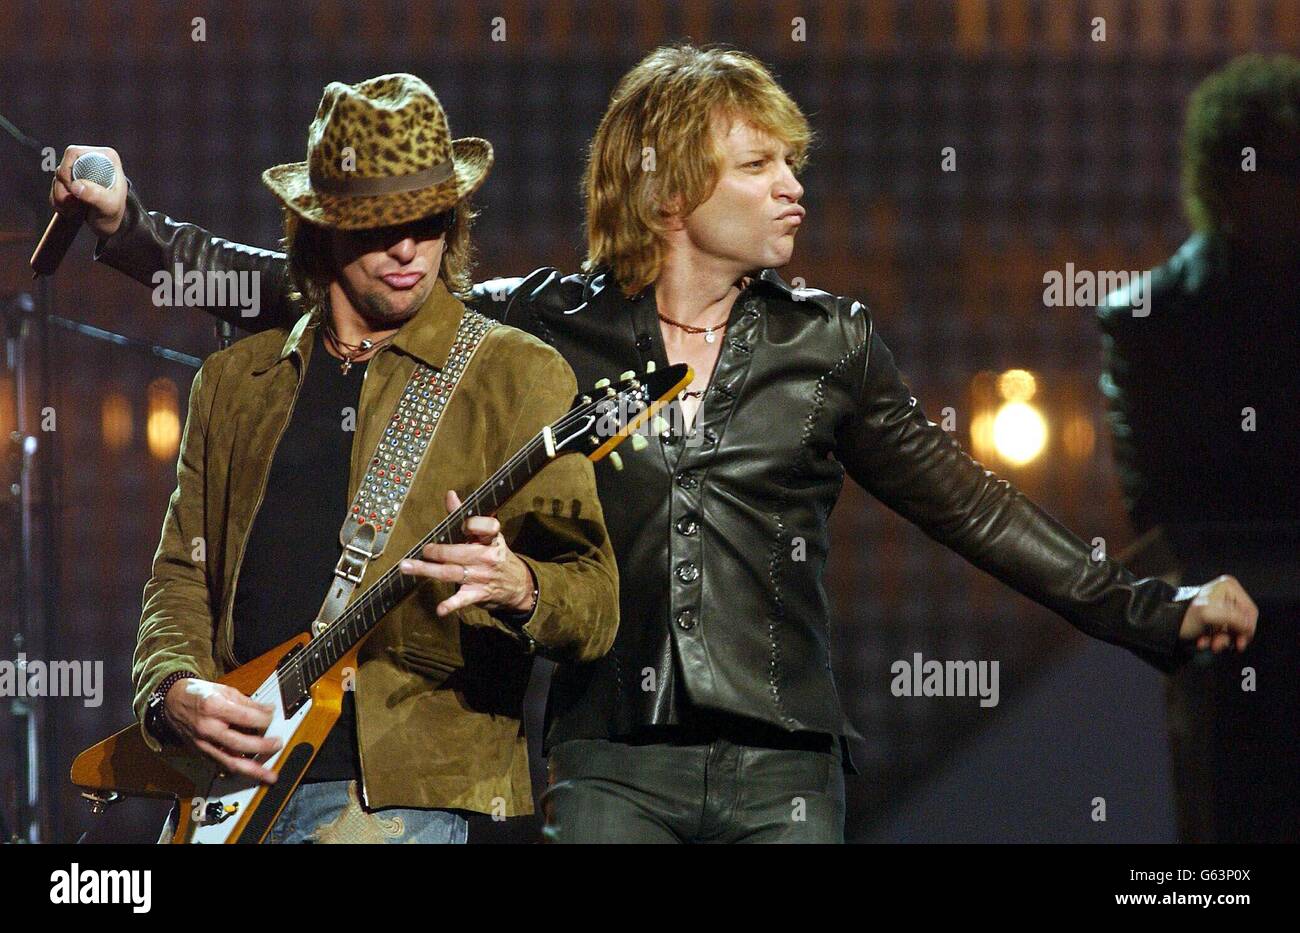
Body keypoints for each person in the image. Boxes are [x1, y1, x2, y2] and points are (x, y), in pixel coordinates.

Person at [65, 45, 1256, 844]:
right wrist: (131, 233)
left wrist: (1153, 611)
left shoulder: (829, 345)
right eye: (761, 164)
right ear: (676, 188)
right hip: (603, 764)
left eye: (791, 163)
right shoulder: (548, 329)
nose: (794, 187)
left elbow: (975, 509)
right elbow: (317, 288)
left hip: (782, 764)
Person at [52, 73, 618, 843]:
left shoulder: (513, 373)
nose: (409, 247)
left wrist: (521, 586)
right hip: (227, 794)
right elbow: (182, 576)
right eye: (379, 224)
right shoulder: (233, 382)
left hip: (394, 798)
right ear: (320, 227)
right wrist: (170, 688)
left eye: (430, 220)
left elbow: (595, 601)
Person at [1097, 53, 1300, 843]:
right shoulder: (1151, 321)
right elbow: (1164, 508)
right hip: (1229, 648)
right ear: (1229, 175)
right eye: (1281, 167)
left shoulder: (1151, 318)